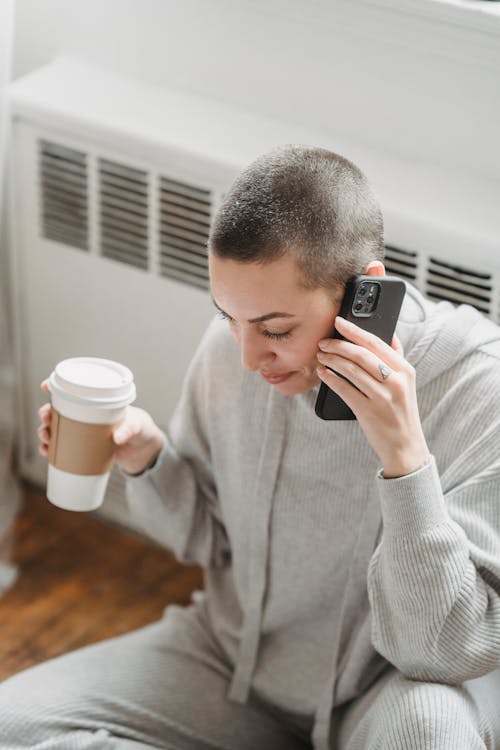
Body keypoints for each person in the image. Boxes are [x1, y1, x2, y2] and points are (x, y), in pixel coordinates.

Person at [1, 145, 500, 749]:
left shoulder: (478, 388)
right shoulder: (232, 351)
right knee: (13, 724)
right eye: (229, 319)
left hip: (381, 692)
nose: (247, 357)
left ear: (363, 293)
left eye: (275, 329)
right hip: (232, 660)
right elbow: (209, 542)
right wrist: (148, 460)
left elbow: (446, 651)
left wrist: (405, 460)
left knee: (433, 736)